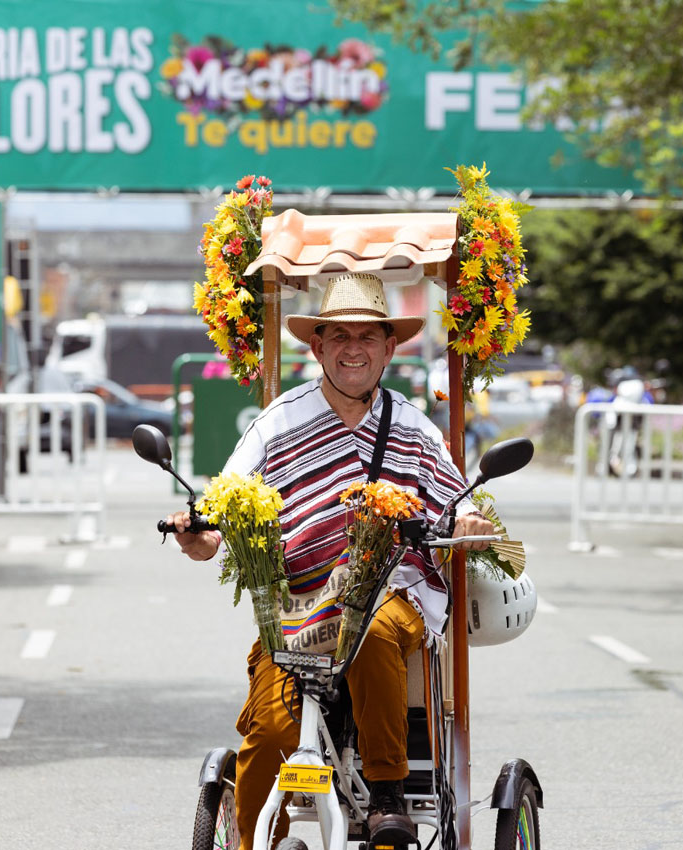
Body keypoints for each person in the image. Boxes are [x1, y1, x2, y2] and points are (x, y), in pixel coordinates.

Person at [168, 272, 494, 850]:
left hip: (394, 601)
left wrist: (468, 525)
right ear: (316, 346)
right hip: (298, 614)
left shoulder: (416, 431)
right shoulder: (276, 423)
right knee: (267, 731)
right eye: (338, 335)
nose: (352, 348)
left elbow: (457, 507)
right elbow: (223, 510)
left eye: (367, 336)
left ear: (390, 348)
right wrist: (199, 534)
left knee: (370, 624)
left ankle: (388, 799)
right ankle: (249, 841)